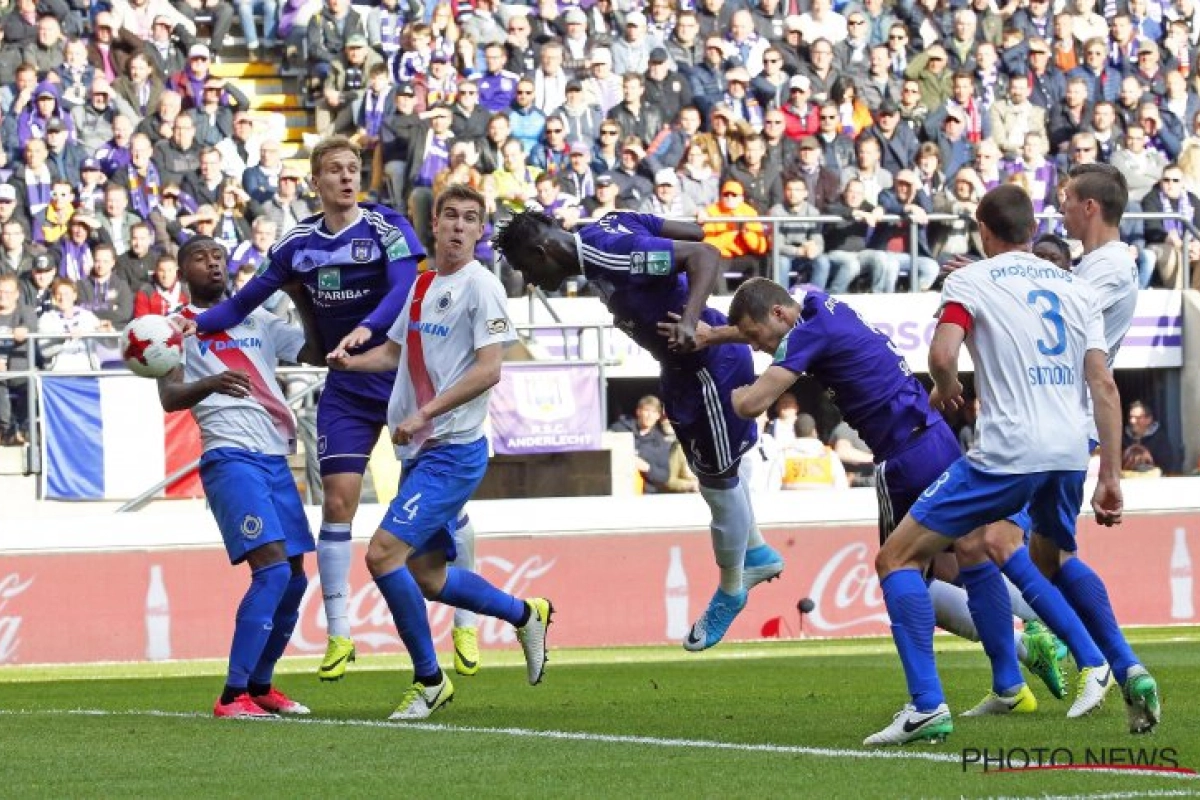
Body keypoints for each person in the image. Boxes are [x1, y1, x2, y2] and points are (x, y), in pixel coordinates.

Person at [865, 184, 1159, 746]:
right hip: (1071, 452)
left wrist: (946, 387)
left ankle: (928, 704)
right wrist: (1112, 475)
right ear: (1033, 229)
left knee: (896, 557)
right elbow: (1103, 384)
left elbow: (943, 353)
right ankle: (1115, 667)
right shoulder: (1075, 288)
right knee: (1030, 555)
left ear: (983, 229)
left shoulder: (969, 280)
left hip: (1008, 453)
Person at [184, 135, 483, 682]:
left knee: (437, 502)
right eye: (336, 171)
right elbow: (245, 300)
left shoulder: (385, 227)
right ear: (317, 182)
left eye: (353, 169)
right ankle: (340, 634)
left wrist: (366, 330)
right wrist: (193, 323)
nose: (347, 178)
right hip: (345, 383)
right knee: (338, 503)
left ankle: (465, 620)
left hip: (400, 379)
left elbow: (403, 288)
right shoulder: (299, 242)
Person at [494, 209, 786, 652]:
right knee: (719, 476)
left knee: (718, 483)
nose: (530, 280)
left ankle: (731, 589)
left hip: (707, 370)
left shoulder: (611, 250)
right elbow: (692, 228)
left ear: (541, 250)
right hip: (682, 373)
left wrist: (689, 320)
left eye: (526, 268)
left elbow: (703, 252)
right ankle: (758, 553)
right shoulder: (610, 226)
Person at [325, 184, 552, 719]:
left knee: (382, 555)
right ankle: (525, 613)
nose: (456, 225)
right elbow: (395, 352)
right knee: (427, 577)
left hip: (453, 450)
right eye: (449, 215)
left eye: (469, 218)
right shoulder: (424, 285)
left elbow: (490, 368)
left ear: (479, 232)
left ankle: (430, 682)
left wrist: (424, 414)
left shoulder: (482, 287)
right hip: (422, 454)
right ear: (436, 225)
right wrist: (350, 362)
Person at [159, 236, 318, 719]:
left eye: (217, 256)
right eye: (200, 256)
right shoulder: (174, 328)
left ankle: (261, 685)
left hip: (273, 458)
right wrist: (209, 382)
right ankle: (232, 695)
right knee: (270, 569)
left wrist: (299, 295)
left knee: (293, 579)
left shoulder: (258, 318)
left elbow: (313, 349)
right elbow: (169, 397)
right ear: (183, 269)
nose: (212, 262)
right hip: (229, 457)